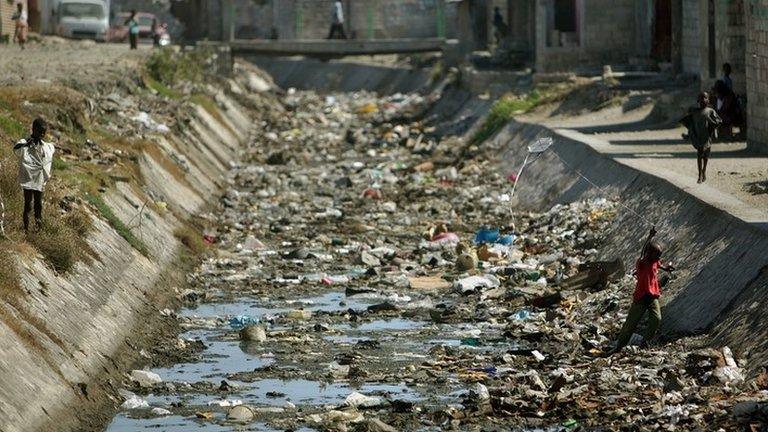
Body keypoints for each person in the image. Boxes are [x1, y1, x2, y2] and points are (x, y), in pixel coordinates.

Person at [608, 228, 675, 354]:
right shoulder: (642, 262)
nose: (659, 256)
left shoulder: (655, 261)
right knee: (630, 325)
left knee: (656, 319)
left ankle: (645, 342)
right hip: (641, 297)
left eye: (660, 254)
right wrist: (650, 237)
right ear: (650, 253)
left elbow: (659, 265)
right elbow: (643, 252)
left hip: (652, 297)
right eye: (657, 254)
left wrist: (666, 268)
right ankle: (619, 346)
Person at [13, 118, 55, 233]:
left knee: (39, 205)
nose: (42, 135)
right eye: (40, 132)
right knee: (28, 205)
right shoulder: (25, 143)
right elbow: (16, 149)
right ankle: (26, 230)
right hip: (28, 178)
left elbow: (50, 153)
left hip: (39, 179)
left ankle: (38, 229)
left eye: (44, 133)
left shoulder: (45, 146)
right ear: (33, 129)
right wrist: (27, 143)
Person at [681, 92, 721, 183]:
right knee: (699, 155)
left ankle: (704, 170)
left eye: (705, 98)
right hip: (698, 136)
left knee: (706, 156)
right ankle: (699, 175)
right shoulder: (694, 111)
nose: (703, 100)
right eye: (701, 98)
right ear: (698, 100)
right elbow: (689, 122)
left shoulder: (711, 111)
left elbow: (718, 122)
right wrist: (691, 133)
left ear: (708, 100)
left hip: (707, 136)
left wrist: (709, 119)